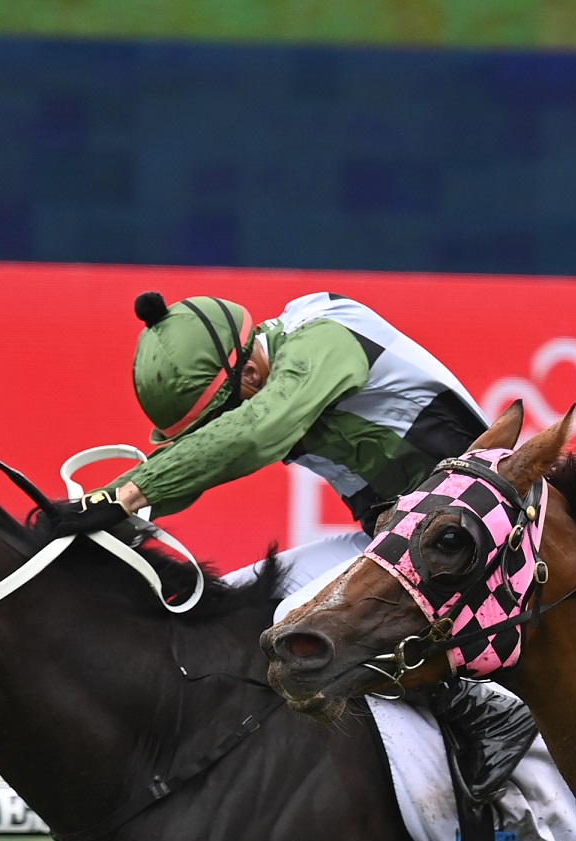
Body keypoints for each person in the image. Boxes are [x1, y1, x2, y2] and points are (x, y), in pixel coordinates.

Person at [47, 289, 536, 798]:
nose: (218, 431)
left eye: (221, 416)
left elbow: (253, 431)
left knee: (300, 619)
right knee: (233, 610)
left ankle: (483, 704)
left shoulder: (324, 338)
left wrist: (128, 493)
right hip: (400, 549)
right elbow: (201, 459)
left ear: (251, 375)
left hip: (477, 548)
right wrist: (98, 519)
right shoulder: (269, 367)